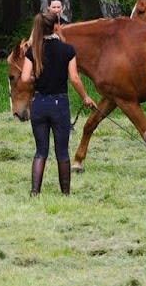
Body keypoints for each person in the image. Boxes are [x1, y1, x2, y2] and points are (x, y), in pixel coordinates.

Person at [20, 11, 94, 195]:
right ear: (56, 26)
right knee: (62, 151)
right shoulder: (67, 50)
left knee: (41, 151)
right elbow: (75, 78)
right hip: (59, 104)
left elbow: (24, 78)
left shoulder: (33, 50)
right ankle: (65, 193)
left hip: (38, 104)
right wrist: (85, 97)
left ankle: (35, 191)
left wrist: (35, 77)